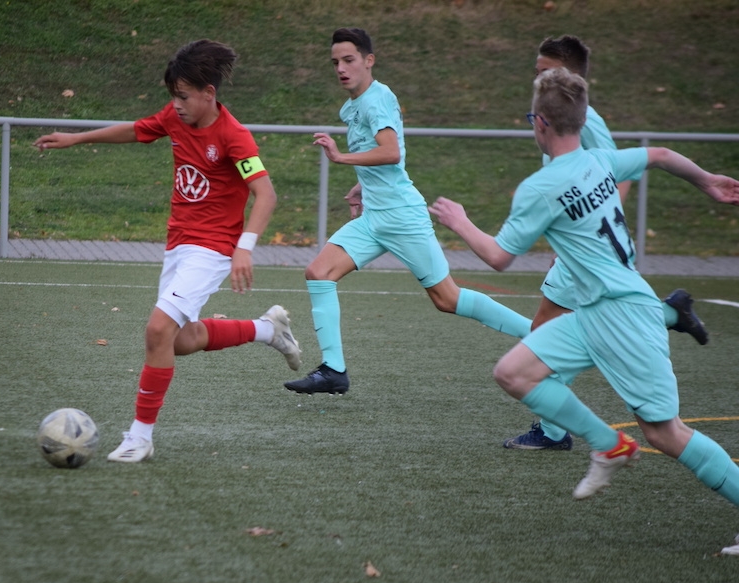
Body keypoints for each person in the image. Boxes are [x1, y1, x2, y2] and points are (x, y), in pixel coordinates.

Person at [428, 67, 739, 554]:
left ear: (540, 123)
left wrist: (459, 220)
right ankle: (610, 444)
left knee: (666, 433)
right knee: (513, 373)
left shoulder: (541, 187)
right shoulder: (599, 160)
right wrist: (706, 182)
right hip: (594, 312)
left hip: (624, 314)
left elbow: (499, 257)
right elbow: (658, 155)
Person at [34, 39, 301, 463]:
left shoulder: (234, 136)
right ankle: (267, 330)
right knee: (180, 340)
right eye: (173, 96)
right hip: (178, 245)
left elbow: (265, 194)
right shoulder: (175, 118)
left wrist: (244, 248)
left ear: (208, 93)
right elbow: (136, 129)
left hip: (213, 249)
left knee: (157, 331)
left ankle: (140, 437)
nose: (176, 105)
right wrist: (76, 139)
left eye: (183, 96)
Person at [284, 27, 531, 396]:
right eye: (335, 62)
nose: (341, 69)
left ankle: (539, 333)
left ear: (369, 60)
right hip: (374, 218)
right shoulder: (354, 105)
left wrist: (340, 157)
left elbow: (391, 151)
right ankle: (334, 371)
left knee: (447, 298)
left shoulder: (376, 99)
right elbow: (385, 155)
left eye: (349, 60)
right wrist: (363, 185)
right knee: (319, 273)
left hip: (401, 216)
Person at [504, 34, 709, 452]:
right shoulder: (556, 119)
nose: (536, 78)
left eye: (544, 72)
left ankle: (555, 432)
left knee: (544, 336)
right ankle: (671, 313)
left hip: (590, 248)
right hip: (583, 244)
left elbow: (619, 172)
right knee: (547, 335)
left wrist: (593, 228)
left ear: (568, 75)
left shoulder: (586, 120)